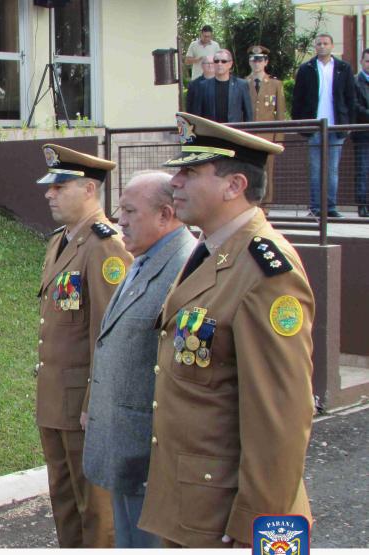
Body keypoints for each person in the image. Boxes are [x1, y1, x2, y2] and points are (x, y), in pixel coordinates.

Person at [137, 112, 316, 548]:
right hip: (193, 504)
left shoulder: (266, 272)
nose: (174, 182)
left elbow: (280, 417)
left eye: (191, 172)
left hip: (230, 519)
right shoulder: (211, 249)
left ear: (234, 185)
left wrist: (257, 527)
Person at [82, 171, 195, 549]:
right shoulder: (145, 258)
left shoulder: (184, 269)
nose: (120, 220)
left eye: (130, 211)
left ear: (165, 215)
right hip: (127, 447)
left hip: (150, 453)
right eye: (120, 210)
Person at [35, 144, 132, 548]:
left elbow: (109, 335)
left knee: (95, 510)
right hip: (56, 399)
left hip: (84, 407)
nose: (49, 193)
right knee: (64, 502)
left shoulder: (105, 245)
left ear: (89, 189)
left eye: (60, 186)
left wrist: (97, 403)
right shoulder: (60, 241)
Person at [292, 33, 356, 218]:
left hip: (336, 126)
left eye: (325, 43)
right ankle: (315, 208)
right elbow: (298, 98)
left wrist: (349, 124)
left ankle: (330, 207)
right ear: (315, 46)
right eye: (319, 43)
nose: (322, 46)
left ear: (332, 46)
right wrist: (300, 123)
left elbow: (350, 98)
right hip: (314, 126)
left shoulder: (343, 68)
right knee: (315, 170)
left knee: (332, 170)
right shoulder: (306, 69)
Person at [247, 45, 287, 208]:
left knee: (267, 171)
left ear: (266, 62)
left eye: (260, 60)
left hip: (268, 136)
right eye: (253, 60)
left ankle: (266, 206)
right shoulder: (243, 83)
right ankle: (251, 204)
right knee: (248, 169)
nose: (256, 63)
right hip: (248, 135)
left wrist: (279, 138)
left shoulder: (275, 84)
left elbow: (280, 113)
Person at [188, 49, 252, 123]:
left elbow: (248, 114)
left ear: (230, 64)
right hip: (212, 129)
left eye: (223, 61)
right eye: (216, 61)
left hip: (233, 129)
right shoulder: (203, 86)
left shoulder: (241, 85)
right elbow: (197, 115)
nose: (219, 64)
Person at [353, 48, 369, 217]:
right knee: (363, 169)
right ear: (362, 62)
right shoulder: (355, 81)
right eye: (367, 61)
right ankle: (363, 205)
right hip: (363, 133)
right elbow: (355, 105)